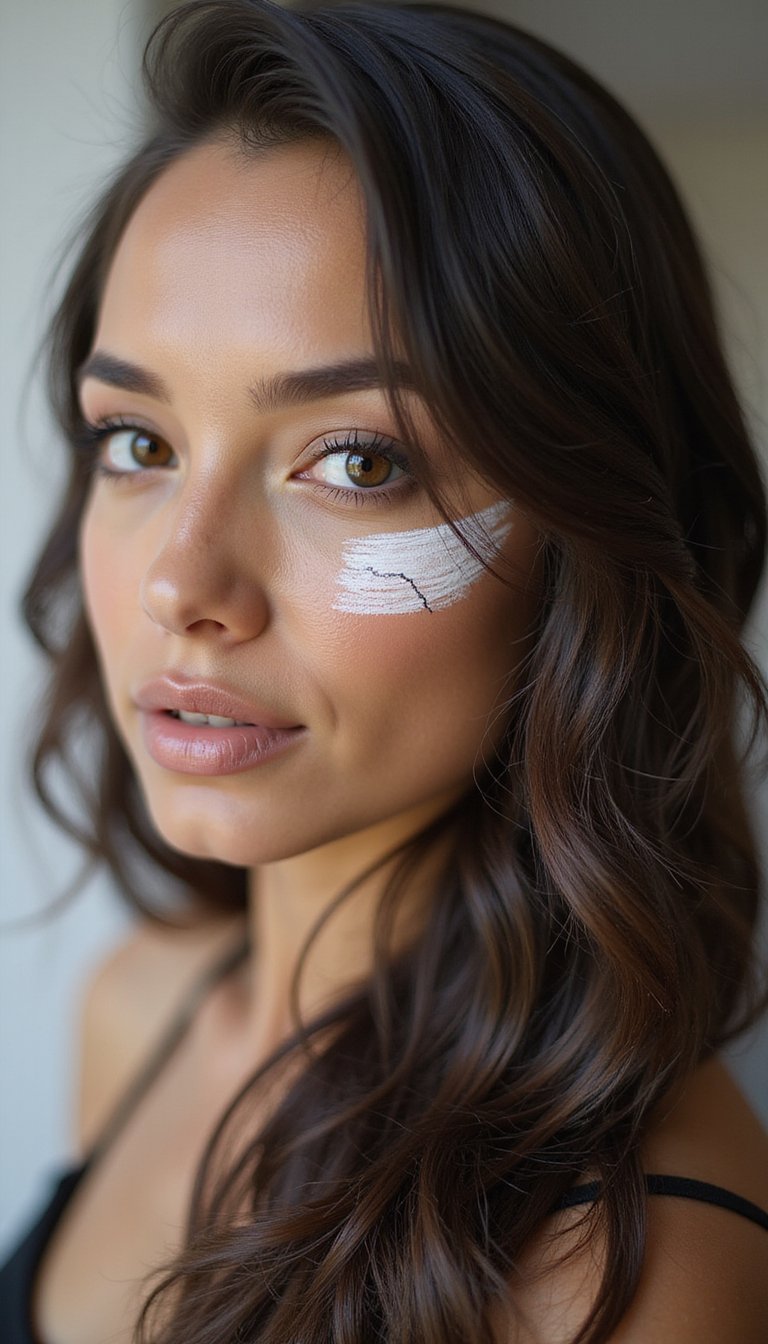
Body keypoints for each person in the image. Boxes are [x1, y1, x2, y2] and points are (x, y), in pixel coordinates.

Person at [2, 0, 767, 1340]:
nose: (184, 586)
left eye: (359, 461)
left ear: (588, 542)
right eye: (138, 441)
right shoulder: (142, 1008)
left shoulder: (619, 1263)